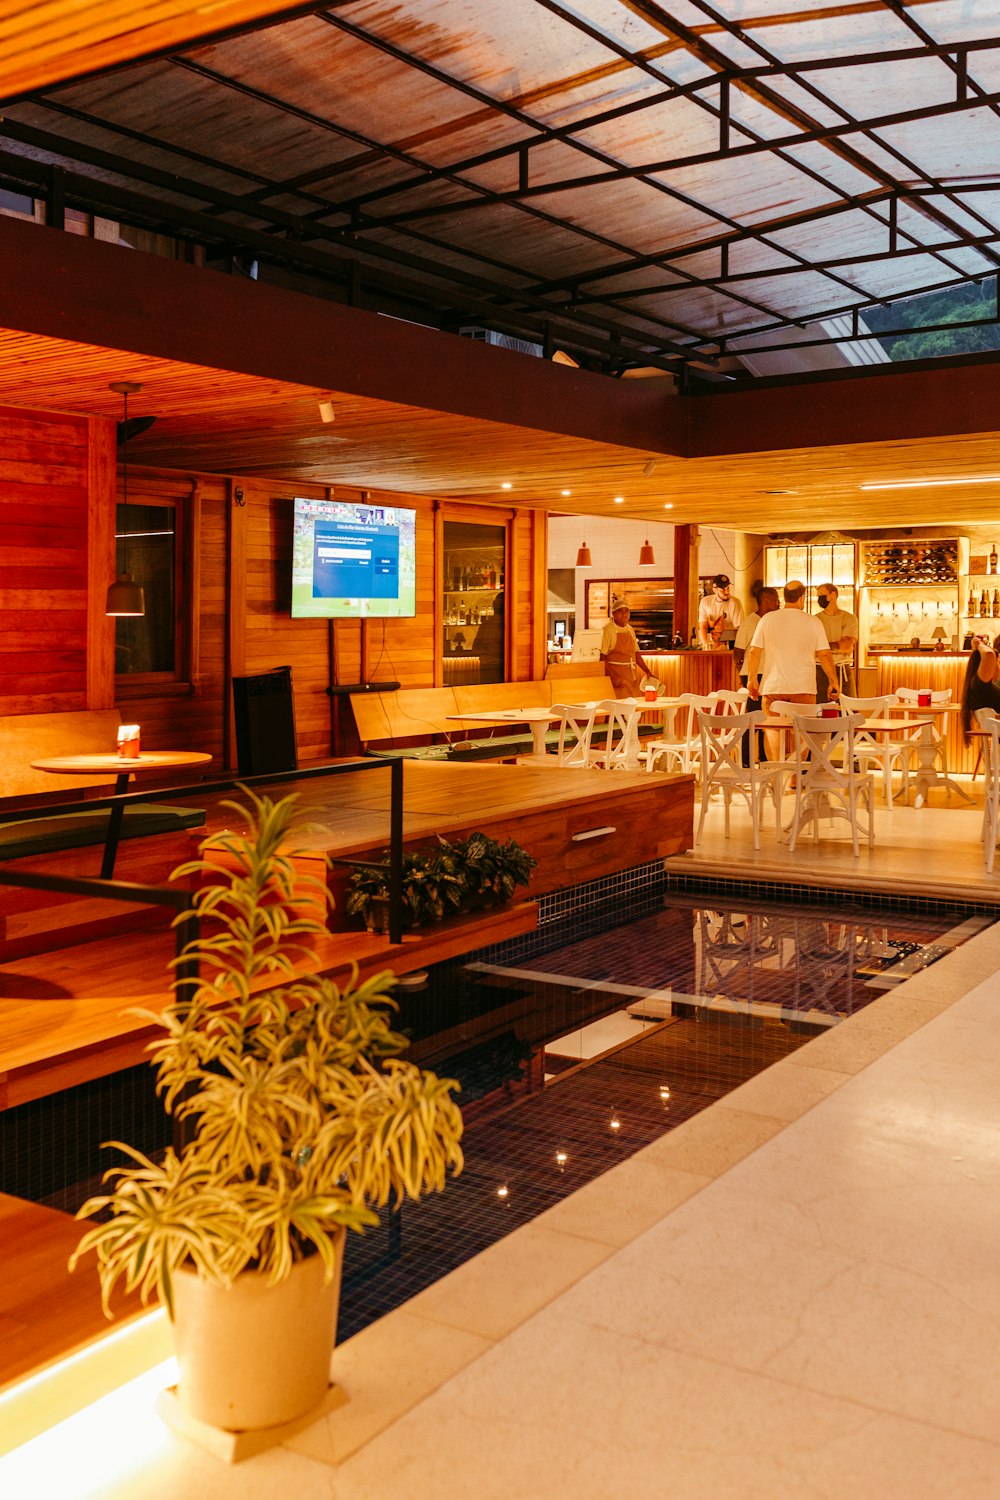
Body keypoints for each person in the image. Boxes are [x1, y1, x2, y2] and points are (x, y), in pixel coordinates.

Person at [744, 579, 839, 763]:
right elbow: (825, 655)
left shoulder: (767, 619)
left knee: (772, 730)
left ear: (784, 597)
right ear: (802, 598)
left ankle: (775, 775)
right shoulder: (813, 622)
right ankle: (796, 778)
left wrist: (752, 679)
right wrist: (833, 681)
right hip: (803, 687)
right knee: (802, 732)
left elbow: (755, 651)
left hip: (773, 687)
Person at [734, 585, 779, 763]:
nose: (778, 602)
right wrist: (742, 676)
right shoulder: (750, 622)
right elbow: (738, 652)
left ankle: (763, 757)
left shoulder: (775, 621)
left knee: (767, 718)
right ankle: (747, 759)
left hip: (770, 674)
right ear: (766, 601)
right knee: (752, 719)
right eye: (775, 599)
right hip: (753, 676)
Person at [599, 596, 656, 699]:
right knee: (618, 709)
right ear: (613, 614)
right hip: (617, 677)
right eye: (620, 611)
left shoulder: (630, 629)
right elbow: (602, 657)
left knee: (633, 708)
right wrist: (613, 676)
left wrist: (647, 672)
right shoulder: (608, 630)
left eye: (627, 611)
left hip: (631, 676)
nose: (624, 614)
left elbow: (636, 654)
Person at [814, 583, 858, 701]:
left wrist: (822, 649)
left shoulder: (849, 618)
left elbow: (846, 645)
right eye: (818, 595)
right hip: (819, 669)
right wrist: (834, 647)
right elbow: (810, 648)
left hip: (843, 668)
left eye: (822, 595)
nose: (819, 598)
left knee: (849, 711)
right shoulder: (815, 620)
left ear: (833, 595)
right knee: (820, 711)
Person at [960, 632, 1000, 741]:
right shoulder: (980, 686)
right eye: (996, 663)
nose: (997, 667)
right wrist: (979, 644)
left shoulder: (980, 687)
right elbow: (989, 655)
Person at [698, 573, 744, 649]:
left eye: (728, 588)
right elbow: (703, 626)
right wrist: (706, 645)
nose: (727, 592)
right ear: (715, 589)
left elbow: (739, 629)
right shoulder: (705, 601)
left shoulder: (736, 603)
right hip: (711, 644)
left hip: (730, 645)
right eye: (723, 589)